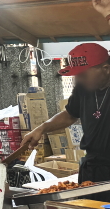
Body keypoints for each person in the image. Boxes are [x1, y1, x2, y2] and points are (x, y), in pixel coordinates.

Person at [22, 43, 110, 186]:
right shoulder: (83, 89)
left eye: (83, 74)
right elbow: (70, 115)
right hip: (92, 169)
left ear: (105, 69)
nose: (77, 80)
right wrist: (41, 128)